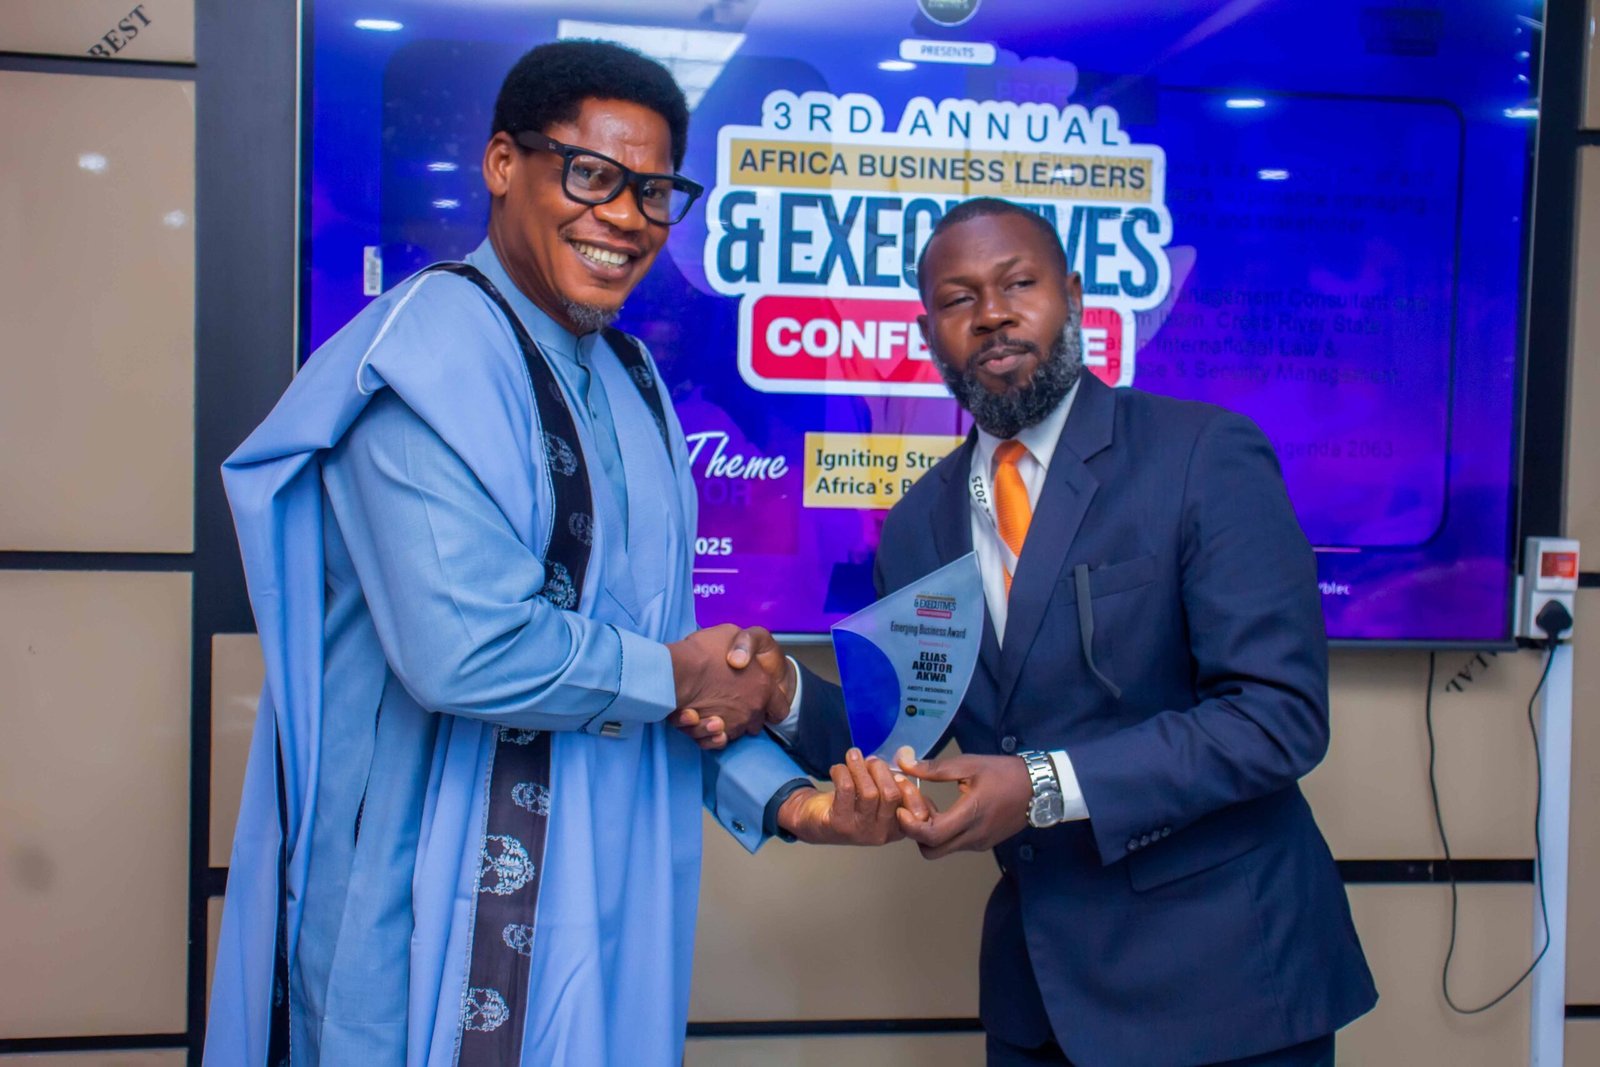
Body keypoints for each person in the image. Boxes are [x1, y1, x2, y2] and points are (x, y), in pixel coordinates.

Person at [205, 40, 900, 1067]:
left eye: (653, 191)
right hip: (425, 902)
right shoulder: (424, 358)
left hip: (606, 881)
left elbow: (657, 651)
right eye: (589, 174)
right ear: (502, 164)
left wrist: (795, 803)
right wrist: (683, 673)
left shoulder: (631, 374)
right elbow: (464, 649)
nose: (624, 215)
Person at [768, 197, 1378, 1066]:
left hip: (1228, 991)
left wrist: (1041, 784)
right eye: (958, 299)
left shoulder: (1201, 454)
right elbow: (905, 733)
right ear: (930, 332)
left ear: (1075, 297)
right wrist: (780, 693)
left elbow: (1277, 718)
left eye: (1019, 283)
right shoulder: (914, 528)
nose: (992, 314)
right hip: (1041, 1006)